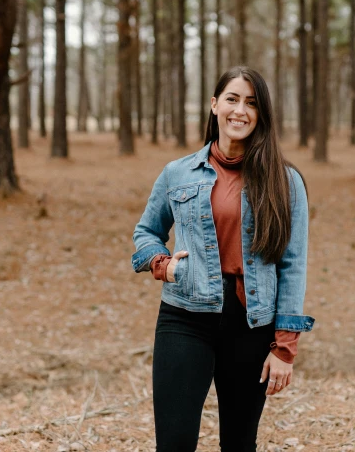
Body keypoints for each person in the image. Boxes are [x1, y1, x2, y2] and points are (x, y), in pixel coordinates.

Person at [131, 66, 315, 451]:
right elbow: (146, 233)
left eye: (251, 103)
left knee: (238, 443)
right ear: (214, 105)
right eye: (232, 99)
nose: (240, 111)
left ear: (261, 114)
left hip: (251, 326)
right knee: (175, 443)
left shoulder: (285, 181)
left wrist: (284, 348)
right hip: (184, 319)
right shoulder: (177, 173)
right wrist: (163, 265)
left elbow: (293, 264)